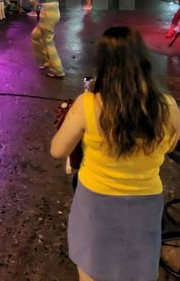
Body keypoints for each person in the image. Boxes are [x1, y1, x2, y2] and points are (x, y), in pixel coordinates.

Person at [51, 26, 180, 281]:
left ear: (104, 63)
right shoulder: (168, 105)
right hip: (146, 200)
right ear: (143, 59)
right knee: (138, 269)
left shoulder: (87, 104)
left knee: (93, 266)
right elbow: (171, 146)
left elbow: (58, 150)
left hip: (96, 202)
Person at [14, 0, 64, 78]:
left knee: (48, 42)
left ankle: (57, 70)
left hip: (48, 14)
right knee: (35, 36)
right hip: (52, 13)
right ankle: (46, 60)